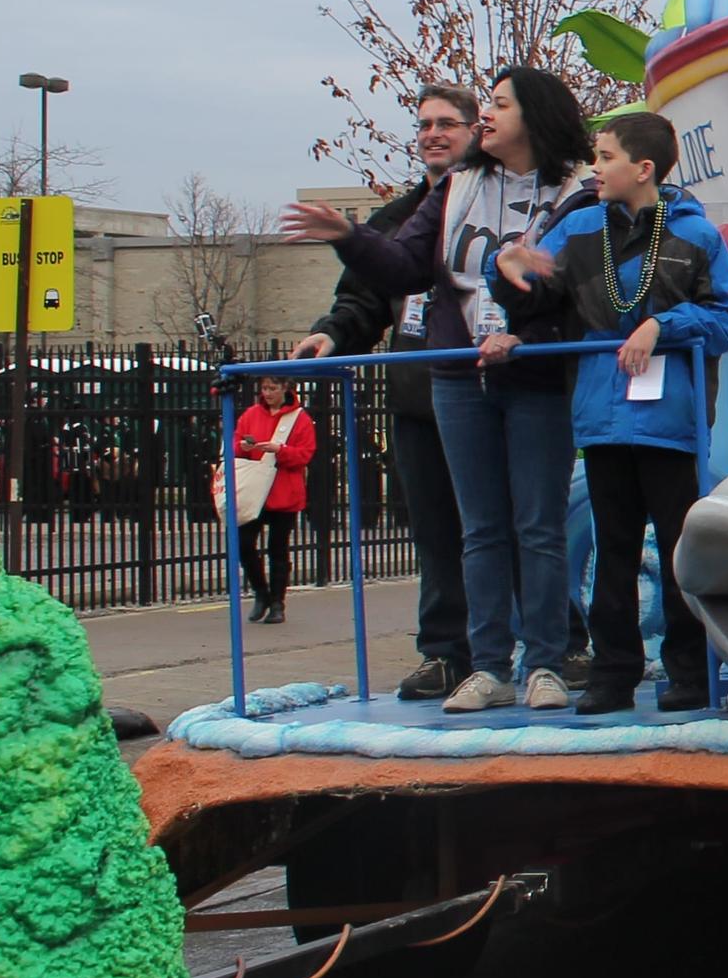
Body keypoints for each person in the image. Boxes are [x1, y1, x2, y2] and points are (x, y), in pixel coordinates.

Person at [284, 63, 593, 712]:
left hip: (535, 376)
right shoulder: (455, 188)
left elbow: (573, 291)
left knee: (535, 527)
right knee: (477, 530)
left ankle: (545, 662)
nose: (489, 116)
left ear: (533, 116)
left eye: (500, 105)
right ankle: (485, 667)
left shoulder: (575, 192)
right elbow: (400, 267)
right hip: (454, 376)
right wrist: (350, 236)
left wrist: (523, 324)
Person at [516, 110, 728, 713]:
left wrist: (661, 325)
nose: (595, 169)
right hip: (603, 417)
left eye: (607, 157)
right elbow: (534, 290)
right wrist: (508, 271)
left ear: (643, 169)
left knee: (679, 549)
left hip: (670, 422)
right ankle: (611, 674)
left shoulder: (697, 236)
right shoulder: (580, 228)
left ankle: (691, 671)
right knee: (612, 551)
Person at [295, 81, 479, 699]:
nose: (433, 133)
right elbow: (360, 300)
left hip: (489, 398)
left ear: (476, 132)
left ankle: (547, 645)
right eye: (424, 124)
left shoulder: (497, 206)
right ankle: (445, 652)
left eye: (447, 123)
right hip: (418, 402)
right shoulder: (395, 221)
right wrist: (330, 336)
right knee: (434, 533)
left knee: (507, 528)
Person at [231, 373, 316, 624]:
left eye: (273, 388)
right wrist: (244, 447)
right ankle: (261, 593)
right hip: (255, 491)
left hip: (283, 491)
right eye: (265, 388)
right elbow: (235, 442)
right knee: (244, 544)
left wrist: (281, 450)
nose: (267, 393)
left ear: (285, 388)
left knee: (277, 549)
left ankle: (278, 601)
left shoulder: (300, 419)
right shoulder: (251, 414)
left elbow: (305, 454)